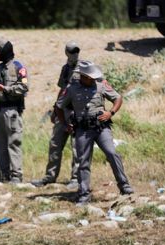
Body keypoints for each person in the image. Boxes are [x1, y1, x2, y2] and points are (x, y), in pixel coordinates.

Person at [55, 60, 134, 205]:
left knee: (111, 153)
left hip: (101, 127)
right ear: (83, 76)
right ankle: (84, 194)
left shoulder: (101, 84)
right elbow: (58, 106)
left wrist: (111, 112)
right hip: (82, 130)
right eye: (89, 77)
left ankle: (125, 186)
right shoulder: (71, 89)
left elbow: (118, 98)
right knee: (83, 161)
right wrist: (65, 125)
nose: (92, 79)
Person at [32, 41, 81, 188]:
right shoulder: (65, 69)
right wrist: (55, 109)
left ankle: (76, 178)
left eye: (76, 51)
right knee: (55, 143)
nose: (74, 54)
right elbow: (62, 90)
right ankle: (50, 176)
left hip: (77, 111)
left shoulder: (84, 68)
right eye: (72, 52)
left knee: (76, 146)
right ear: (66, 53)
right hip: (64, 110)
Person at [0, 39, 29, 184]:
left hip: (12, 111)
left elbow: (24, 88)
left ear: (4, 51)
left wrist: (4, 89)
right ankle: (3, 176)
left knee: (13, 143)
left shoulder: (18, 67)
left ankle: (16, 176)